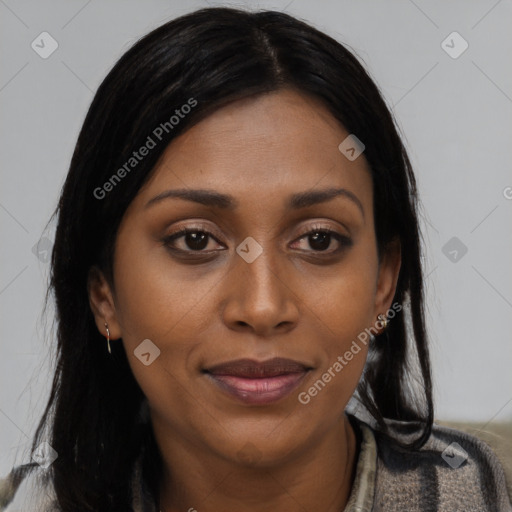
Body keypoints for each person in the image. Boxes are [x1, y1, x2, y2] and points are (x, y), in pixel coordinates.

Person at [0, 6, 510, 512]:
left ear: (384, 282)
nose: (263, 306)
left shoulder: (477, 493)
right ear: (103, 295)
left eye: (318, 240)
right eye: (195, 240)